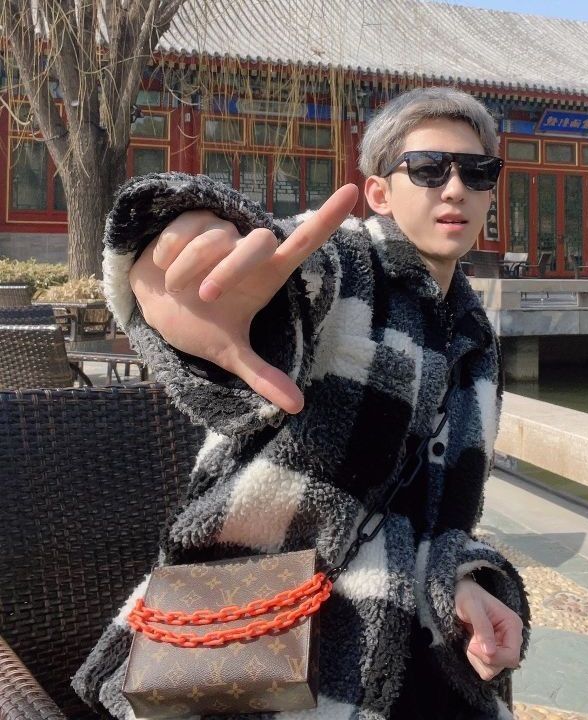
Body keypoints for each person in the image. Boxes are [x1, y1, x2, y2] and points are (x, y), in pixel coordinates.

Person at [73, 86, 531, 720]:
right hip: (261, 642)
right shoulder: (344, 264)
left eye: (476, 172)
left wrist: (465, 578)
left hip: (416, 641)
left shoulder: (475, 336)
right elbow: (274, 281)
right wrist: (175, 250)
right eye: (428, 169)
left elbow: (440, 516)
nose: (454, 189)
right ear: (379, 193)